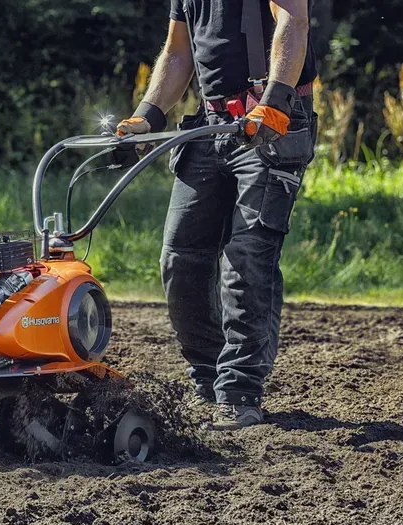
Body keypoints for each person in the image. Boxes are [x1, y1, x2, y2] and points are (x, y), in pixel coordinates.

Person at [117, 0, 317, 429]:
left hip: (273, 123)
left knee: (247, 256)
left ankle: (240, 391)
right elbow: (178, 52)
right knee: (180, 258)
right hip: (211, 126)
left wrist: (276, 100)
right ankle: (208, 380)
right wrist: (146, 116)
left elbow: (293, 21)